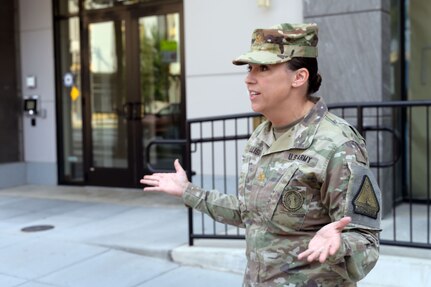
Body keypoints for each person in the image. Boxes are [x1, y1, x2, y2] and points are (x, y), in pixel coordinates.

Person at [141, 23, 381, 287]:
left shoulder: (338, 145)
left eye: (264, 68)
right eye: (250, 68)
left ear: (299, 77)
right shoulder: (262, 136)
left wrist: (341, 243)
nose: (249, 78)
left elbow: (366, 241)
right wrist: (187, 191)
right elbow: (250, 214)